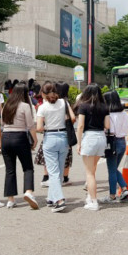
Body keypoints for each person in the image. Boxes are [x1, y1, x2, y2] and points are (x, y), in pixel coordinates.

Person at [36, 81, 76, 212]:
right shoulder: (64, 103)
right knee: (58, 171)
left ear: (44, 93)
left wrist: (48, 127)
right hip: (63, 137)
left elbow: (39, 128)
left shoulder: (42, 107)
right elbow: (73, 118)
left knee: (53, 172)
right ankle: (51, 197)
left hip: (50, 138)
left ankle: (59, 199)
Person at [0, 83, 39, 209]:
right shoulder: (25, 106)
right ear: (25, 93)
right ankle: (28, 192)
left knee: (10, 170)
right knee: (27, 167)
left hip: (6, 137)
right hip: (20, 137)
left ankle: (10, 200)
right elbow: (30, 125)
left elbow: (2, 122)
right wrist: (35, 139)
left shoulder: (7, 105)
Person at [75, 84, 110, 211]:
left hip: (89, 138)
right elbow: (107, 125)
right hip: (101, 138)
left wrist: (79, 143)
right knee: (93, 170)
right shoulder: (104, 106)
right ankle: (90, 197)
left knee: (89, 173)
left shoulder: (83, 106)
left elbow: (80, 126)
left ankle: (94, 202)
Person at [100, 91, 128, 204]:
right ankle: (124, 189)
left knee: (112, 170)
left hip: (112, 142)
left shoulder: (109, 115)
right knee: (114, 169)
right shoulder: (124, 113)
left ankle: (113, 195)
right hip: (122, 142)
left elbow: (109, 130)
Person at [55, 82, 73, 186]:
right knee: (66, 156)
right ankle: (64, 178)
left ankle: (51, 177)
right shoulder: (65, 103)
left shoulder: (52, 101)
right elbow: (72, 117)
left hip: (51, 132)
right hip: (65, 132)